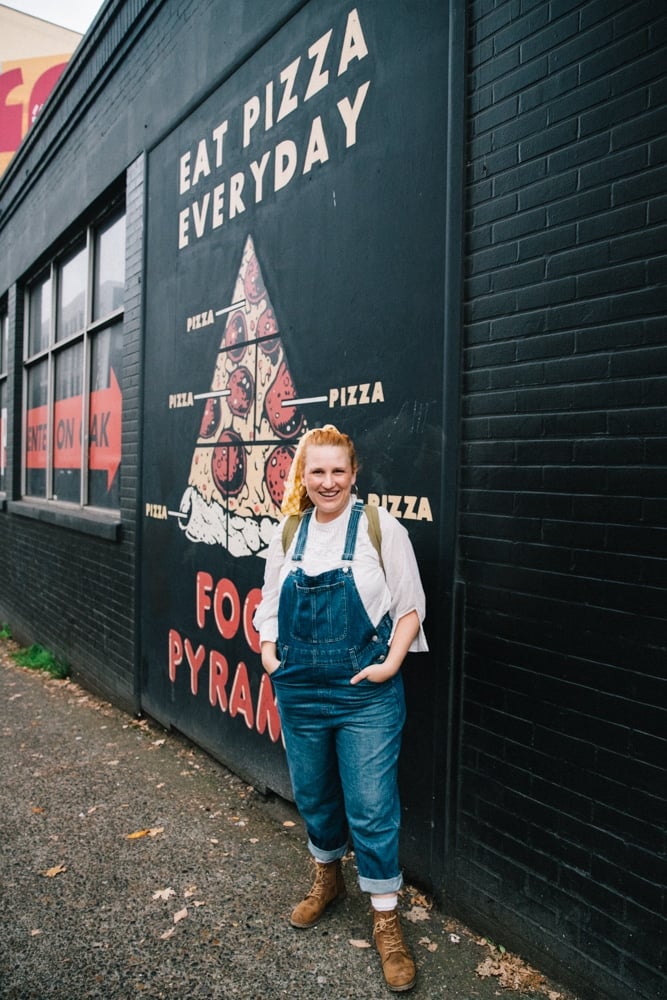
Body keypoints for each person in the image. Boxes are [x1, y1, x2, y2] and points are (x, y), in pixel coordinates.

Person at [254, 424, 428, 993]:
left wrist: (389, 665)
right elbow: (271, 604)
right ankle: (327, 878)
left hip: (365, 693)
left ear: (354, 475)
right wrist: (269, 653)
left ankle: (386, 922)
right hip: (300, 688)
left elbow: (410, 608)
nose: (327, 482)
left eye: (337, 471)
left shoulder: (381, 529)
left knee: (373, 806)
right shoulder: (288, 533)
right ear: (303, 477)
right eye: (316, 471)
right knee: (313, 794)